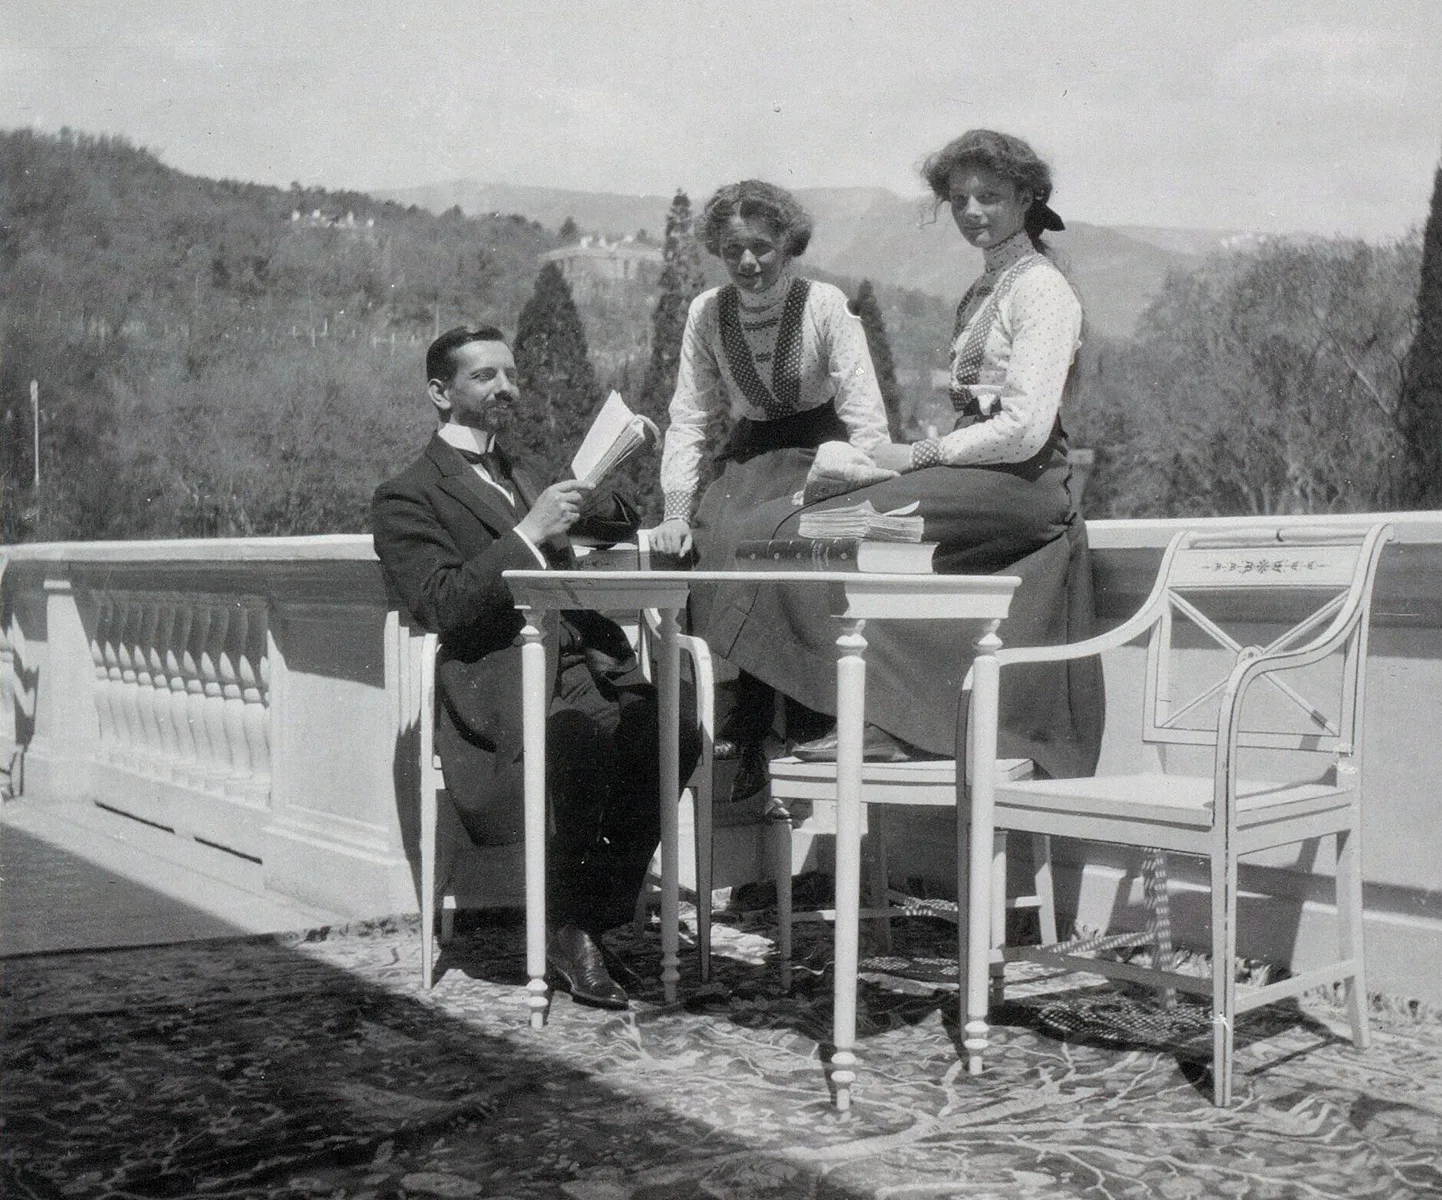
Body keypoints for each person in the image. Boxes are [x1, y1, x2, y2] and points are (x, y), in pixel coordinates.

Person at [703, 130, 1105, 780]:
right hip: (974, 479)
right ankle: (846, 715)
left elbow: (1025, 430)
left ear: (1028, 197)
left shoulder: (1042, 290)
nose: (973, 212)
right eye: (960, 198)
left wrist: (912, 456)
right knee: (776, 531)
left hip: (1019, 487)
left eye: (991, 197)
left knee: (809, 532)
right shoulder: (989, 287)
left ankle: (876, 720)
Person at [372, 325, 697, 1011]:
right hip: (499, 673)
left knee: (675, 736)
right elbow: (442, 603)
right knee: (582, 736)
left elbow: (613, 518)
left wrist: (594, 491)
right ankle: (570, 929)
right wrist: (528, 533)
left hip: (587, 655)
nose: (506, 389)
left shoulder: (523, 468)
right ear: (439, 392)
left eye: (511, 375)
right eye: (485, 376)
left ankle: (582, 918)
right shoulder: (407, 495)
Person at [645, 180, 893, 802]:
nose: (749, 263)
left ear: (788, 242)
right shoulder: (707, 312)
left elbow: (864, 410)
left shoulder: (825, 305)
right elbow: (691, 416)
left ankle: (808, 717)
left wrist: (868, 475)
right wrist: (675, 509)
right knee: (713, 537)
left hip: (821, 451)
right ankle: (740, 726)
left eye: (761, 246)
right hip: (751, 453)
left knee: (777, 541)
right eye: (733, 251)